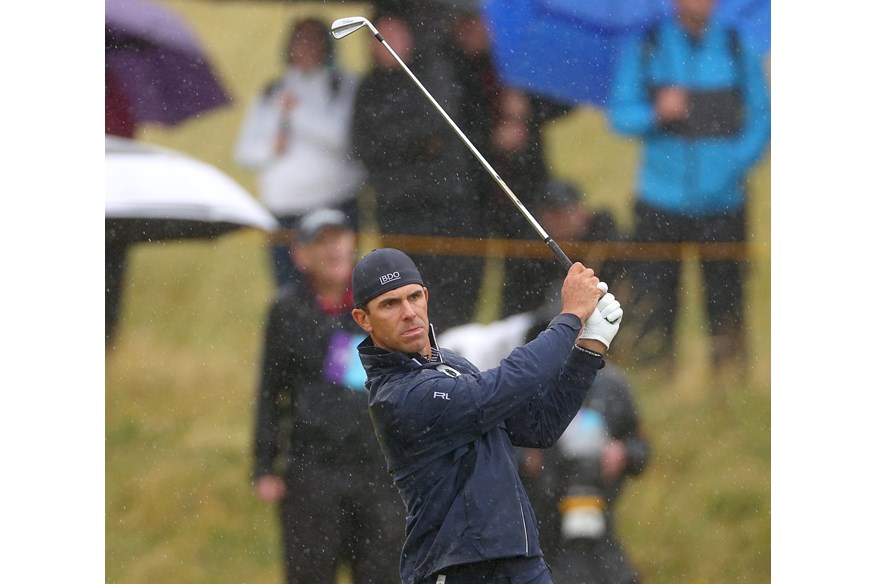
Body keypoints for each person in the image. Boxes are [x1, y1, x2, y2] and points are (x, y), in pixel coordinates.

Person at [349, 247, 624, 584]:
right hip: (458, 569)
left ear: (425, 297)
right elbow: (497, 389)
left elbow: (540, 426)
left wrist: (589, 347)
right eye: (390, 304)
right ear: (364, 319)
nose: (408, 312)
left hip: (519, 560)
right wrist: (569, 319)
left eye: (413, 297)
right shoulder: (397, 394)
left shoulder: (453, 365)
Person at [607, 0, 770, 370]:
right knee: (653, 304)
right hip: (659, 202)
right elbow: (620, 115)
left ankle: (728, 386)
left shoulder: (736, 45)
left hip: (725, 203)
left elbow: (762, 117)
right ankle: (655, 383)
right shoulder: (647, 45)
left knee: (726, 304)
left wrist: (733, 163)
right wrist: (656, 113)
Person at [251, 209, 405, 583]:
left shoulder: (382, 305)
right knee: (310, 574)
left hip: (378, 469)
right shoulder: (287, 311)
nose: (333, 248)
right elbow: (271, 389)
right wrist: (265, 465)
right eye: (321, 241)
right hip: (312, 470)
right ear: (300, 255)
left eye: (339, 237)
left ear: (353, 245)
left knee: (384, 573)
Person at [350, 12, 485, 331]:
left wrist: (395, 142)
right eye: (380, 37)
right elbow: (363, 146)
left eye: (394, 34)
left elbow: (436, 128)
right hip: (397, 211)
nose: (388, 44)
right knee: (404, 296)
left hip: (446, 206)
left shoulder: (434, 74)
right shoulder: (368, 88)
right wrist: (414, 145)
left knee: (454, 293)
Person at [234, 17, 365, 288]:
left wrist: (295, 114)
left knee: (341, 290)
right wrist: (271, 147)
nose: (306, 47)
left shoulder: (343, 85)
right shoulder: (271, 91)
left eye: (313, 40)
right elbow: (244, 152)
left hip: (335, 202)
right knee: (290, 293)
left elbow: (343, 139)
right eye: (300, 40)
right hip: (284, 213)